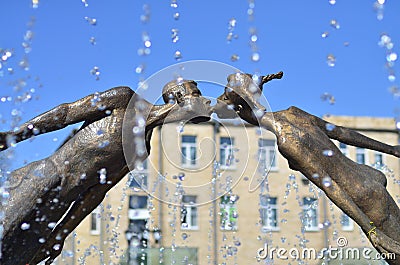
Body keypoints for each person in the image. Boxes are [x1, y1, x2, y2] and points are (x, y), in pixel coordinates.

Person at [0, 80, 212, 265]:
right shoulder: (124, 99)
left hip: (56, 210)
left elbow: (96, 193)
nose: (207, 101)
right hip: (42, 178)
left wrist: (60, 234)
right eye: (196, 93)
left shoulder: (141, 151)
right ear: (178, 96)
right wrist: (14, 136)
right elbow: (65, 113)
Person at [214, 72, 400, 265]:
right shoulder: (295, 113)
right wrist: (391, 149)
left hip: (363, 198)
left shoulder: (286, 140)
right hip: (369, 176)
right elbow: (341, 132)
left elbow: (329, 186)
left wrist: (370, 230)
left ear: (240, 109)